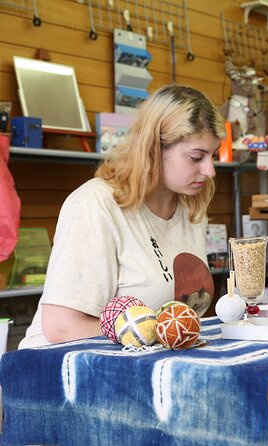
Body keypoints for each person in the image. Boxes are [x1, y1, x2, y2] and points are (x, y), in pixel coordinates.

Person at [19, 85, 224, 348]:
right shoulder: (95, 204)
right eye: (197, 157)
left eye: (213, 156)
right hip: (65, 369)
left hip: (144, 366)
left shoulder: (191, 208)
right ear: (154, 149)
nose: (210, 170)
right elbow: (61, 327)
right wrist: (155, 335)